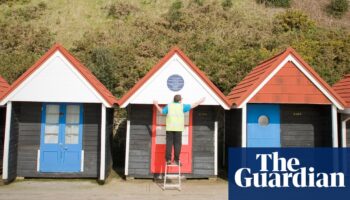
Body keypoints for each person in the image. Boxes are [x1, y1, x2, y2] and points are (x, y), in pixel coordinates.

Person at [153, 95, 205, 165]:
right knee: (177, 145)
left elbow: (162, 111)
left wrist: (156, 104)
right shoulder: (182, 106)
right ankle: (176, 160)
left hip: (170, 128)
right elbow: (193, 105)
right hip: (178, 129)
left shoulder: (169, 106)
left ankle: (168, 160)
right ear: (180, 100)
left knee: (169, 144)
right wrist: (200, 101)